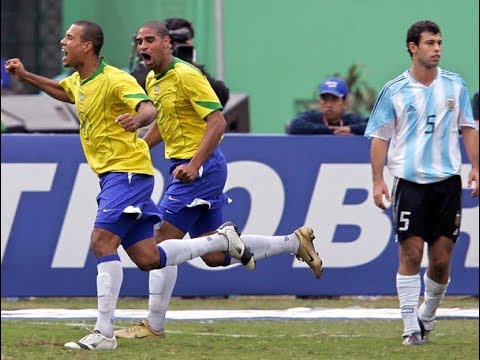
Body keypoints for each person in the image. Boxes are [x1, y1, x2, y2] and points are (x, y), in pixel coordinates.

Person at [4, 20, 256, 351]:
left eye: (69, 37)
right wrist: (26, 77)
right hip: (116, 174)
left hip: (126, 173)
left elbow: (148, 108)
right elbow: (62, 91)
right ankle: (218, 241)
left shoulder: (116, 79)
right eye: (138, 41)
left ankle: (104, 332)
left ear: (88, 46)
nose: (62, 42)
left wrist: (138, 121)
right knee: (149, 257)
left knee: (101, 242)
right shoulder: (80, 82)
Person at [114, 20, 323, 340]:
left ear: (168, 43)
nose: (143, 46)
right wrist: (141, 146)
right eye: (139, 41)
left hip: (199, 169)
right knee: (214, 257)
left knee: (159, 246)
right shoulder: (154, 79)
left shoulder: (187, 75)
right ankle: (294, 242)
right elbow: (166, 123)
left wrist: (195, 164)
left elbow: (217, 122)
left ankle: (153, 325)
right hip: (190, 168)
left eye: (150, 40)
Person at [364, 20, 479, 346]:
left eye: (439, 42)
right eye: (430, 43)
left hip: (447, 184)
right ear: (413, 47)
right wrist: (377, 180)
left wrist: (476, 166)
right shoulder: (395, 90)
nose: (437, 48)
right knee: (411, 254)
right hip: (410, 183)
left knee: (441, 261)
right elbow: (379, 137)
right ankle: (409, 326)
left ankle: (426, 316)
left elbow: (468, 127)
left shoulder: (455, 86)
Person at [131, 17, 230, 107]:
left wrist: (190, 68)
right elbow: (135, 96)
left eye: (184, 42)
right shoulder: (147, 72)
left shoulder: (192, 71)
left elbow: (221, 96)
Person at [287, 77, 368, 135]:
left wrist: (350, 129)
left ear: (345, 104)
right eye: (325, 99)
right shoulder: (312, 117)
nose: (329, 105)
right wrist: (333, 131)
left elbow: (374, 127)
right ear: (320, 103)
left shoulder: (351, 119)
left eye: (334, 99)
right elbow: (294, 126)